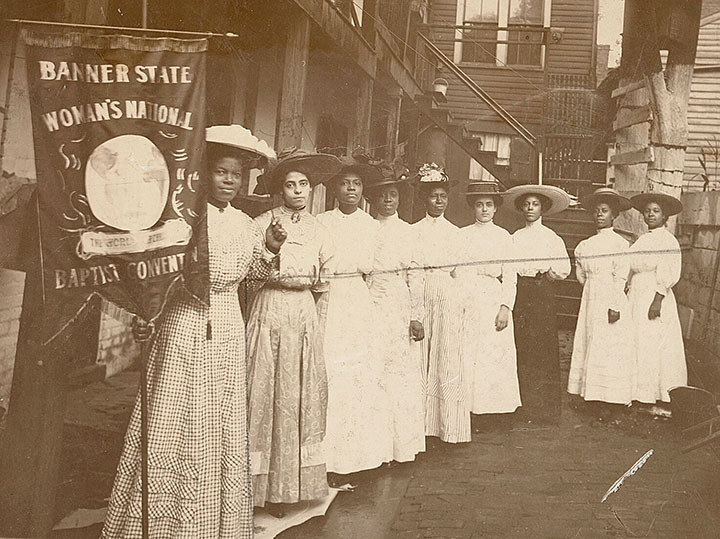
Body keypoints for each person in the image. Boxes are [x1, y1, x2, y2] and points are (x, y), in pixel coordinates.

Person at [101, 124, 287, 539]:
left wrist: (271, 248)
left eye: (235, 175)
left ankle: (214, 524)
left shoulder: (245, 224)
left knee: (219, 421)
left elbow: (251, 278)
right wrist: (145, 313)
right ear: (204, 173)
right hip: (184, 324)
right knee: (176, 415)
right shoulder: (182, 218)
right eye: (220, 172)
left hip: (226, 325)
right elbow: (155, 273)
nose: (228, 181)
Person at [245, 148, 341, 517]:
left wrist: (317, 329)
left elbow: (325, 285)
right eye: (290, 185)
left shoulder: (320, 230)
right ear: (279, 190)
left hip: (303, 314)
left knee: (298, 395)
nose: (298, 191)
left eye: (303, 185)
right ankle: (260, 487)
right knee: (264, 392)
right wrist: (272, 248)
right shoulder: (263, 223)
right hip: (269, 308)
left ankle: (293, 487)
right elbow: (251, 274)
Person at [316, 150, 393, 480]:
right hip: (329, 300)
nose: (350, 189)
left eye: (356, 184)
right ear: (334, 189)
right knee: (330, 371)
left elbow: (376, 274)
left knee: (359, 375)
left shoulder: (372, 226)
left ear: (363, 190)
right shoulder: (321, 222)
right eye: (344, 184)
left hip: (358, 302)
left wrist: (374, 313)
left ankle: (360, 457)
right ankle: (326, 458)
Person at [366, 163, 426, 463]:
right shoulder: (367, 228)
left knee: (398, 373)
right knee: (372, 371)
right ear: (373, 199)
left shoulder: (409, 232)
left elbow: (416, 273)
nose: (388, 200)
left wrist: (417, 315)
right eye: (382, 195)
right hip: (371, 301)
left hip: (399, 303)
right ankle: (375, 449)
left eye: (393, 195)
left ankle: (399, 447)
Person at [412, 163, 470, 443]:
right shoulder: (414, 231)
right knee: (420, 356)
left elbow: (462, 272)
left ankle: (448, 427)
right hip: (422, 289)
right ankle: (420, 427)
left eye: (443, 196)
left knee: (446, 357)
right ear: (424, 199)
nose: (438, 201)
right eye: (433, 196)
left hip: (447, 291)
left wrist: (459, 302)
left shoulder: (455, 233)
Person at [504, 184, 571, 425]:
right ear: (521, 208)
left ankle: (544, 410)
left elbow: (564, 269)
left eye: (535, 204)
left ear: (543, 208)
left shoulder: (551, 238)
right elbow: (508, 267)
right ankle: (521, 405)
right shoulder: (515, 237)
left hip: (542, 293)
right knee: (521, 346)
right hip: (521, 291)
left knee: (542, 348)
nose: (530, 208)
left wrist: (545, 276)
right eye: (527, 204)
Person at [458, 181, 520, 429]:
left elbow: (510, 275)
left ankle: (496, 408)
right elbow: (458, 272)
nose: (484, 209)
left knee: (494, 352)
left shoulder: (504, 237)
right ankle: (470, 408)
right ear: (473, 208)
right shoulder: (462, 235)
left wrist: (506, 306)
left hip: (494, 296)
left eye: (489, 205)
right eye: (479, 205)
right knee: (469, 351)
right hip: (469, 294)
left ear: (496, 209)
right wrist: (460, 302)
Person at [568, 187, 634, 411]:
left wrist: (614, 305)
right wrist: (592, 291)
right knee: (590, 341)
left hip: (610, 299)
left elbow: (620, 277)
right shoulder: (585, 246)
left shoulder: (619, 244)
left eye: (604, 211)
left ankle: (610, 397)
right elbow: (581, 276)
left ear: (614, 215)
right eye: (596, 211)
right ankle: (590, 393)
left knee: (608, 345)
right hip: (591, 299)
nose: (599, 215)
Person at [627, 192, 687, 406]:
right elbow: (632, 265)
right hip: (637, 293)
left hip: (654, 294)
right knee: (637, 341)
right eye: (647, 211)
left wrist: (657, 300)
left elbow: (669, 271)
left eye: (656, 211)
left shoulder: (667, 240)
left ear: (664, 216)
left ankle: (654, 392)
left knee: (652, 341)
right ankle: (636, 391)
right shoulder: (644, 239)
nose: (650, 214)